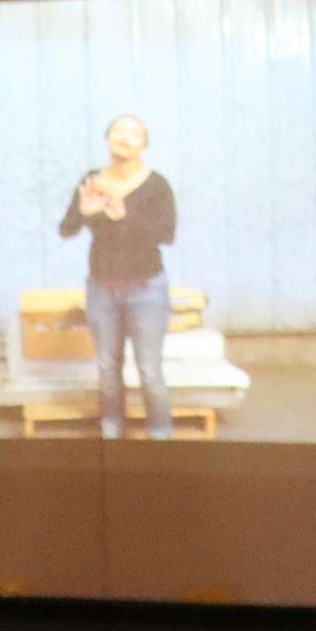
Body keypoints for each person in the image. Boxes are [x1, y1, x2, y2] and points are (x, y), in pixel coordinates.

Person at [56, 113, 177, 439]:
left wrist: (125, 214)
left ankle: (161, 438)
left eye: (134, 132)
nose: (125, 136)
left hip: (146, 290)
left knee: (150, 371)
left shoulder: (157, 185)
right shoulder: (93, 180)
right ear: (107, 139)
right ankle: (112, 437)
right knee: (108, 369)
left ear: (145, 144)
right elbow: (65, 229)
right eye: (118, 131)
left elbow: (166, 234)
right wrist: (83, 213)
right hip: (101, 291)